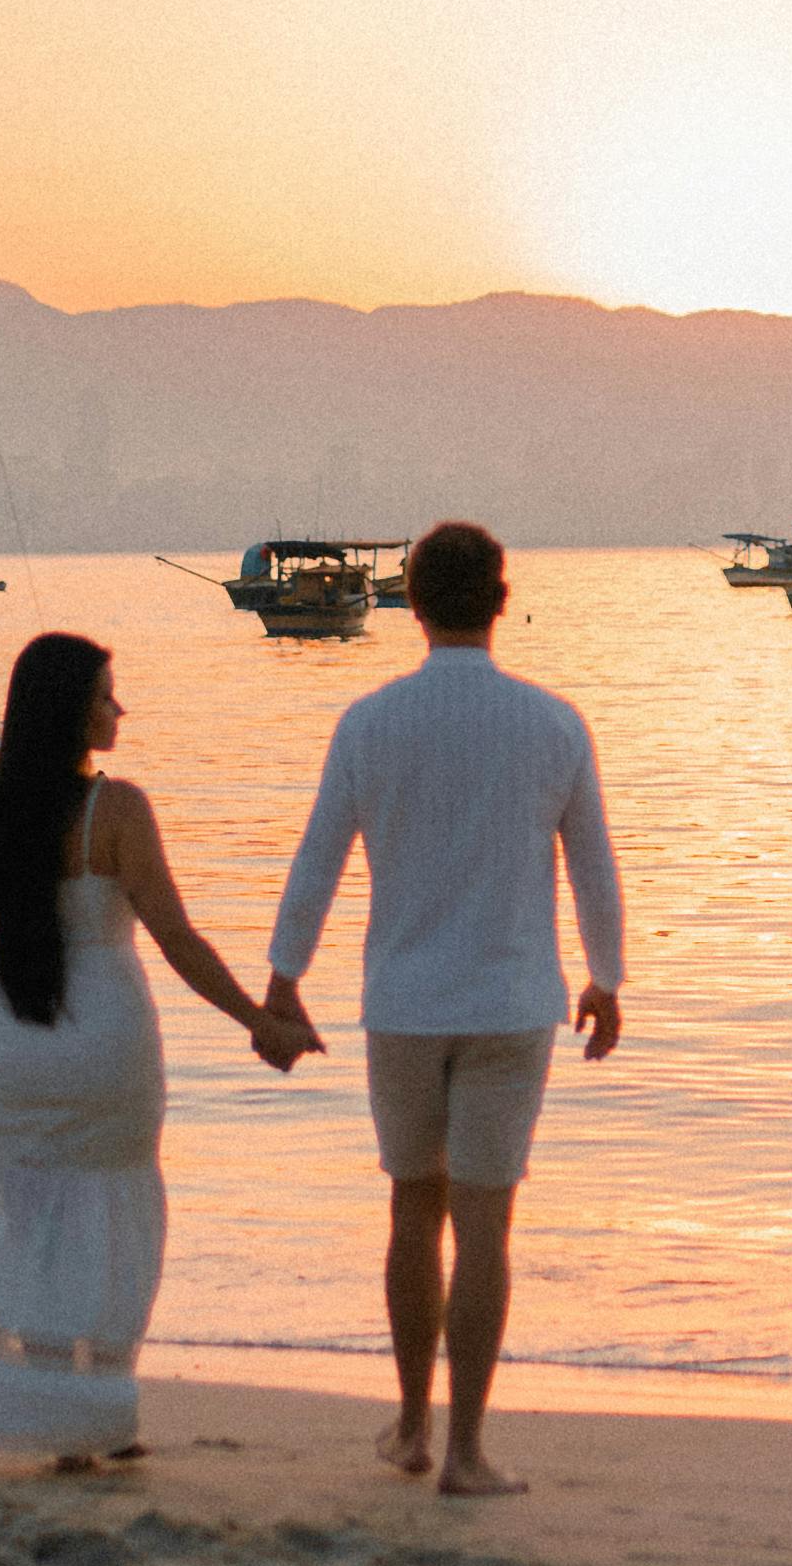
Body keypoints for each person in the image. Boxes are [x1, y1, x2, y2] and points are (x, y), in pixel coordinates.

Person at [256, 519, 624, 1497]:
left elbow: (317, 858)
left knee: (412, 1210)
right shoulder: (551, 723)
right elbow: (592, 863)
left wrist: (284, 976)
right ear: (499, 600)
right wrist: (606, 976)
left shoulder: (369, 722)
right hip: (511, 1004)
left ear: (407, 604)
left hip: (404, 1004)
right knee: (486, 1226)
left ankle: (413, 1426)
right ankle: (466, 1452)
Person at [0, 633, 270, 1468]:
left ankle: (50, 1411)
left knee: (35, 1223)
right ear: (76, 711)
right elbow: (178, 938)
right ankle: (107, 1412)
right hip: (109, 1044)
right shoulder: (116, 811)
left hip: (13, 1034)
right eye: (109, 695)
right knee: (118, 1219)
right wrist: (259, 1019)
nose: (121, 709)